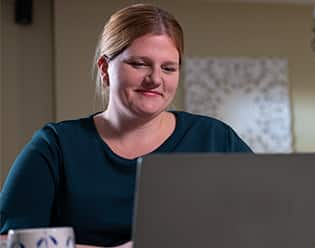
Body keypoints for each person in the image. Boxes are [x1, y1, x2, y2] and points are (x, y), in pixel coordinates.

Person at [0, 4, 251, 248]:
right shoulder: (55, 146)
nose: (155, 79)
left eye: (168, 68)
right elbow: (8, 241)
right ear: (104, 69)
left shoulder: (215, 139)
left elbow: (262, 223)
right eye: (139, 64)